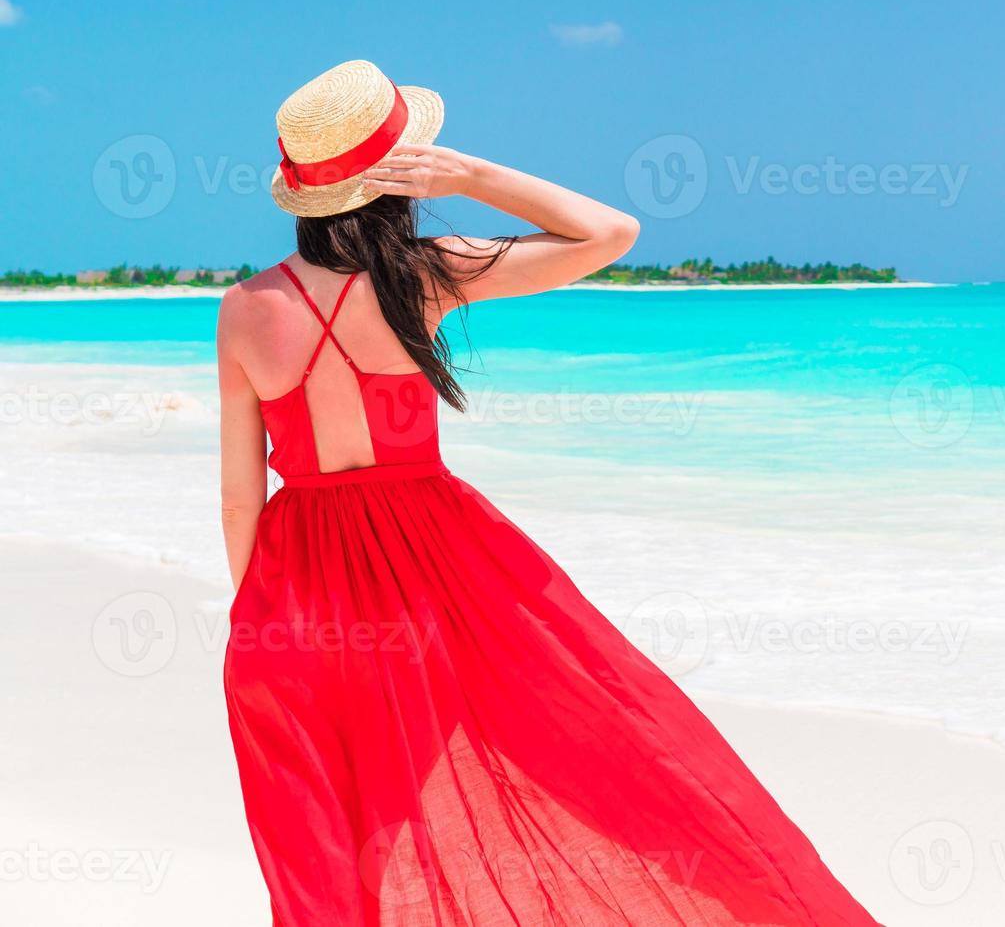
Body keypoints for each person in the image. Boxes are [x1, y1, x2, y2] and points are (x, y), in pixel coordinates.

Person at [216, 59, 879, 925]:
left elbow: (238, 498)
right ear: (400, 178)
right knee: (596, 735)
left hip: (297, 591)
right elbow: (609, 233)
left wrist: (262, 615)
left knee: (332, 838)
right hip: (433, 564)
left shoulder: (243, 307)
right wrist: (476, 176)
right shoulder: (424, 273)